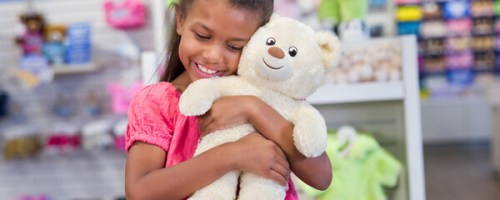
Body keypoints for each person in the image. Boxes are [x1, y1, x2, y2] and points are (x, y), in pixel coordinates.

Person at [124, 0, 332, 199]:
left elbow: (321, 177)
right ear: (180, 20)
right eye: (203, 36)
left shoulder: (271, 96)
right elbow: (140, 192)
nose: (213, 55)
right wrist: (232, 155)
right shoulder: (157, 102)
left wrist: (252, 108)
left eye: (234, 46)